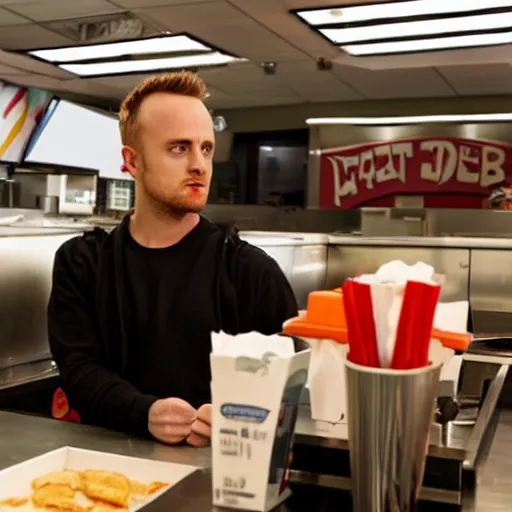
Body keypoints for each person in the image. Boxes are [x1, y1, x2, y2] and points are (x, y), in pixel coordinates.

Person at [47, 71, 298, 447]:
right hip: (105, 474)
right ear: (132, 162)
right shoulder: (84, 263)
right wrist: (144, 412)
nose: (199, 165)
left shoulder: (250, 272)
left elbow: (287, 387)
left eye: (206, 148)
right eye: (179, 148)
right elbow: (80, 371)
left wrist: (239, 416)